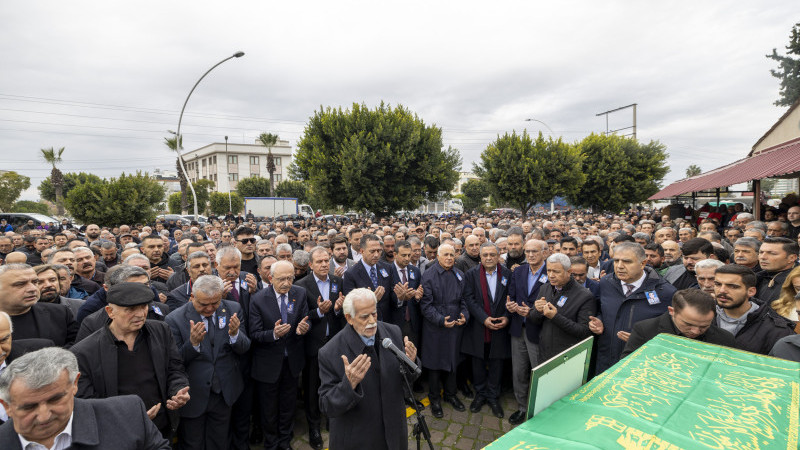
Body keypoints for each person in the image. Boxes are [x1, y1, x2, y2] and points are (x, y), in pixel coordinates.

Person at [70, 282, 190, 439]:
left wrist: (178, 390)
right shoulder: (83, 352)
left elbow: (174, 368)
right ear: (110, 312)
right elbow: (87, 402)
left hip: (161, 429)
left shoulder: (161, 330)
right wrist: (130, 418)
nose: (140, 314)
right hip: (117, 434)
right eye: (131, 310)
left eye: (143, 307)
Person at [0, 347, 171, 449]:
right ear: (6, 405)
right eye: (29, 407)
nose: (44, 416)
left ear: (74, 384)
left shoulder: (128, 415)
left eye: (55, 400)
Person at [318, 288, 419, 450]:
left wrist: (411, 362)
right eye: (364, 317)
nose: (372, 321)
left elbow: (405, 378)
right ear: (349, 318)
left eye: (374, 314)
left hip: (394, 433)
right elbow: (326, 406)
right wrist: (348, 385)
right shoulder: (330, 352)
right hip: (359, 438)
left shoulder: (393, 332)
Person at [165, 275, 251, 450]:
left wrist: (235, 335)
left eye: (215, 303)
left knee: (219, 441)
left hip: (223, 392)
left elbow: (244, 348)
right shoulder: (174, 319)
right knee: (192, 443)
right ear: (192, 297)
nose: (210, 308)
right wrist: (193, 344)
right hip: (193, 395)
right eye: (204, 304)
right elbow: (175, 363)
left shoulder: (232, 309)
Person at [248, 260, 310, 450]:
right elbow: (254, 334)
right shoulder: (258, 299)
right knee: (269, 408)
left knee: (288, 404)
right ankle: (271, 442)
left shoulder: (299, 294)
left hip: (292, 361)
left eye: (290, 278)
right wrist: (274, 334)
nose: (286, 283)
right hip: (268, 364)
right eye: (281, 279)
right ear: (270, 278)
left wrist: (303, 329)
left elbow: (305, 319)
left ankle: (285, 441)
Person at [591, 242, 676, 374]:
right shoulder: (606, 283)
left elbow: (671, 333)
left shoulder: (665, 292)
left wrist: (642, 338)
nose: (619, 266)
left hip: (642, 365)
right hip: (606, 361)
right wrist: (599, 320)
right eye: (616, 261)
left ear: (643, 263)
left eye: (627, 261)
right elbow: (601, 310)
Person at [293, 247, 344, 449]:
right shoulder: (301, 285)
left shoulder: (337, 281)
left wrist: (338, 309)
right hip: (313, 346)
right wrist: (318, 312)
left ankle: (331, 418)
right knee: (312, 387)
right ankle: (314, 426)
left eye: (326, 260)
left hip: (334, 343)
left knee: (334, 384)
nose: (324, 264)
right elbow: (300, 315)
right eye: (319, 261)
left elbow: (340, 311)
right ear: (311, 265)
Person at [461, 242, 511, 418]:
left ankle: (493, 396)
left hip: (500, 326)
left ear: (498, 256)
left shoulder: (507, 274)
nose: (489, 258)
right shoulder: (471, 275)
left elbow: (511, 298)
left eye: (492, 255)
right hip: (478, 326)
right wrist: (483, 318)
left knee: (497, 362)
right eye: (485, 255)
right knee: (478, 362)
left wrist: (506, 316)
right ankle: (480, 394)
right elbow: (469, 298)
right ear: (480, 257)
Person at [419, 243, 468, 418]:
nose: (449, 258)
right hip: (436, 328)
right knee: (435, 364)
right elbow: (425, 305)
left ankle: (450, 394)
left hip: (455, 325)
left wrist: (464, 314)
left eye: (452, 255)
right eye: (445, 254)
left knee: (453, 361)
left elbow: (464, 299)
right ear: (437, 257)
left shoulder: (460, 275)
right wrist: (440, 320)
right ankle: (434, 399)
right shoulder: (428, 276)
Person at [505, 238, 548, 424]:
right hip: (518, 328)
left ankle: (541, 409)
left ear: (544, 253)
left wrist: (531, 312)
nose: (530, 255)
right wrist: (510, 305)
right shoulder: (519, 271)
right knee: (519, 371)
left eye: (535, 251)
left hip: (539, 330)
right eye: (528, 251)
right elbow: (512, 295)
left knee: (539, 371)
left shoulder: (550, 271)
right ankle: (522, 407)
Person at [621, 289, 736, 357]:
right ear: (672, 311)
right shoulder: (645, 330)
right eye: (688, 324)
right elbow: (627, 367)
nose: (695, 331)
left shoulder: (725, 339)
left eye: (704, 326)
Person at [714, 264, 796, 355]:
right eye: (718, 284)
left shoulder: (777, 330)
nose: (722, 290)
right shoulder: (703, 314)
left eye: (733, 286)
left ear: (751, 291)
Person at [529, 253, 595, 363]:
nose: (551, 275)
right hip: (545, 354)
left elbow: (584, 332)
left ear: (569, 272)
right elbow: (534, 319)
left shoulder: (585, 296)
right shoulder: (544, 288)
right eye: (549, 270)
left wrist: (555, 317)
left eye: (556, 271)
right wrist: (537, 310)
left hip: (569, 357)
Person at [0, 264, 77, 348]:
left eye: (35, 282)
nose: (32, 288)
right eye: (20, 284)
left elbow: (75, 347)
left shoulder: (60, 313)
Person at [343, 234, 395, 321]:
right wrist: (371, 300)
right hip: (365, 322)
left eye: (379, 251)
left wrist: (400, 297)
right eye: (372, 251)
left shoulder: (387, 268)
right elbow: (350, 305)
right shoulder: (351, 274)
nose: (376, 255)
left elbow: (392, 294)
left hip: (386, 321)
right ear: (362, 251)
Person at [755, 237, 799, 303]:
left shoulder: (795, 283)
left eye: (772, 253)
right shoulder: (756, 277)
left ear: (791, 258)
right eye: (761, 252)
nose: (763, 257)